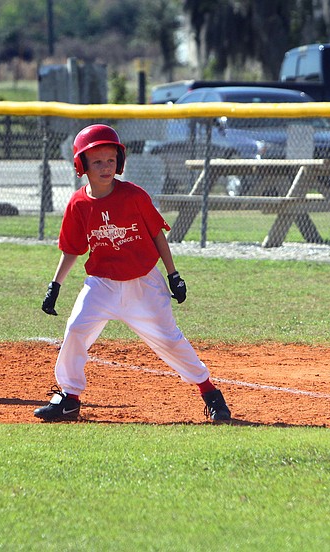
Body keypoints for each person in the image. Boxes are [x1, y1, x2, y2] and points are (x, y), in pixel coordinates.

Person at [34, 123, 231, 422]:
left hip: (143, 283)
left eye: (110, 160)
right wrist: (55, 285)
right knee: (75, 330)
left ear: (120, 162)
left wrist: (173, 275)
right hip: (102, 284)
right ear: (81, 165)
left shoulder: (134, 196)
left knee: (169, 340)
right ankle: (69, 398)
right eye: (97, 161)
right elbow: (73, 249)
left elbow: (157, 235)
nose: (105, 167)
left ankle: (211, 394)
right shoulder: (78, 204)